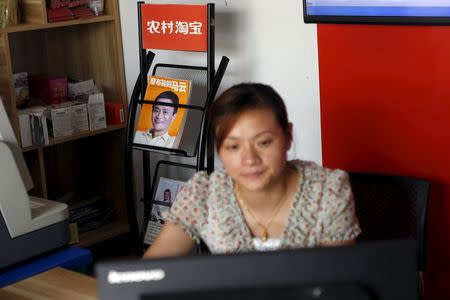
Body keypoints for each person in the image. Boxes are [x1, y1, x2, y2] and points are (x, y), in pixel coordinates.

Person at [144, 83, 361, 258]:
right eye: (233, 146)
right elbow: (150, 276)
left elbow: (341, 283)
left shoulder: (327, 192)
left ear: (288, 136)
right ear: (219, 150)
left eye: (264, 142)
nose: (250, 160)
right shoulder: (203, 195)